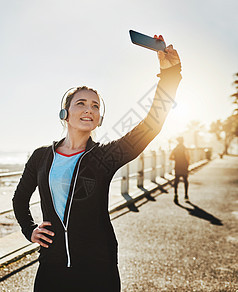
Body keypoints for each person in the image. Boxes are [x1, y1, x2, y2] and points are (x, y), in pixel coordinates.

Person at [12, 37, 182, 292]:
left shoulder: (104, 157)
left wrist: (170, 76)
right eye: (80, 103)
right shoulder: (41, 157)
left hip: (97, 267)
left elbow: (150, 126)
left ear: (99, 118)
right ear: (64, 112)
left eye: (95, 106)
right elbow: (19, 198)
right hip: (51, 266)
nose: (88, 109)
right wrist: (30, 230)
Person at [169, 136, 190, 203]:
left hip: (177, 166)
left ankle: (175, 195)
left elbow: (170, 157)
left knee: (176, 181)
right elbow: (188, 157)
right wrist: (187, 164)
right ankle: (186, 195)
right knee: (185, 180)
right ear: (182, 141)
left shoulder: (175, 149)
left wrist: (176, 159)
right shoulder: (184, 148)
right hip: (184, 166)